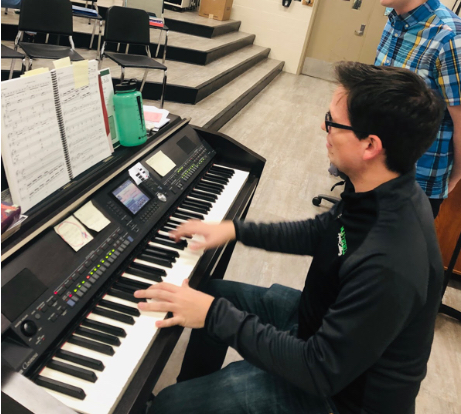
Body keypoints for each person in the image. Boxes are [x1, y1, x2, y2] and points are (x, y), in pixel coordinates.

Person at [137, 62, 445, 414]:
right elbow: (323, 231)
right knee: (209, 292)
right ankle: (193, 394)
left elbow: (319, 371)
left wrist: (212, 315)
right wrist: (234, 229)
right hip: (318, 327)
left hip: (340, 397)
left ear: (370, 145)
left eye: (332, 122)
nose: (322, 127)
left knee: (171, 402)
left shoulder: (390, 262)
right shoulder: (384, 189)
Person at [364, 0, 461, 218]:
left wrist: (452, 180)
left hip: (413, 187)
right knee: (346, 251)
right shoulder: (394, 22)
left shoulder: (449, 37)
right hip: (372, 169)